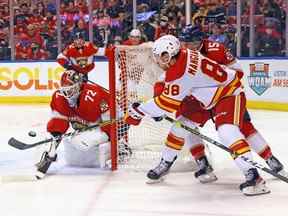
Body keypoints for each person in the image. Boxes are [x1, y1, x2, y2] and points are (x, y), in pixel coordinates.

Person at [125, 35, 270, 196]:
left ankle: (255, 178)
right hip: (207, 98)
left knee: (227, 131)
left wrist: (138, 112)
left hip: (228, 94)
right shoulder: (184, 54)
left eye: (159, 57)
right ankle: (165, 163)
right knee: (179, 126)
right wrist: (152, 105)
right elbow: (164, 84)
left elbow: (166, 104)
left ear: (168, 55)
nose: (157, 61)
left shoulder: (180, 73)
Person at [178, 24, 287, 177]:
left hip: (225, 97)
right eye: (184, 42)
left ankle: (270, 159)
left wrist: (217, 82)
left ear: (198, 41)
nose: (185, 46)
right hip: (201, 99)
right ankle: (202, 162)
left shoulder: (216, 49)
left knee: (244, 127)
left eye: (189, 43)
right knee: (186, 123)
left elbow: (238, 72)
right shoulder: (183, 54)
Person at [35, 70, 112, 179]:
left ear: (79, 86)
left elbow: (111, 122)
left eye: (71, 90)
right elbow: (58, 123)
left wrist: (107, 137)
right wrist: (52, 149)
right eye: (65, 91)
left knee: (80, 142)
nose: (67, 95)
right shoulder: (59, 97)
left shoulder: (95, 95)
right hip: (83, 133)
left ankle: (118, 147)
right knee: (70, 146)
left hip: (101, 128)